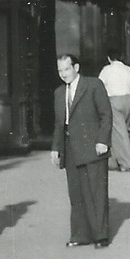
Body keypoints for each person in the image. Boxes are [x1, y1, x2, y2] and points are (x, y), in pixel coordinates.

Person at [51, 53, 113, 247]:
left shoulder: (94, 85)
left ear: (76, 68)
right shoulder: (59, 93)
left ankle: (100, 235)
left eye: (67, 69)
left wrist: (103, 140)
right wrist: (55, 148)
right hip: (70, 149)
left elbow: (106, 115)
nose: (63, 74)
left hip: (93, 147)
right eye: (60, 70)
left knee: (96, 192)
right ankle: (80, 235)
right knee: (76, 193)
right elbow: (59, 124)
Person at [99, 49, 130, 171]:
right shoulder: (128, 70)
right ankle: (113, 161)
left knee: (119, 133)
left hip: (114, 102)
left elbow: (99, 87)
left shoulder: (106, 70)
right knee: (118, 132)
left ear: (109, 58)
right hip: (128, 101)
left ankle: (127, 163)